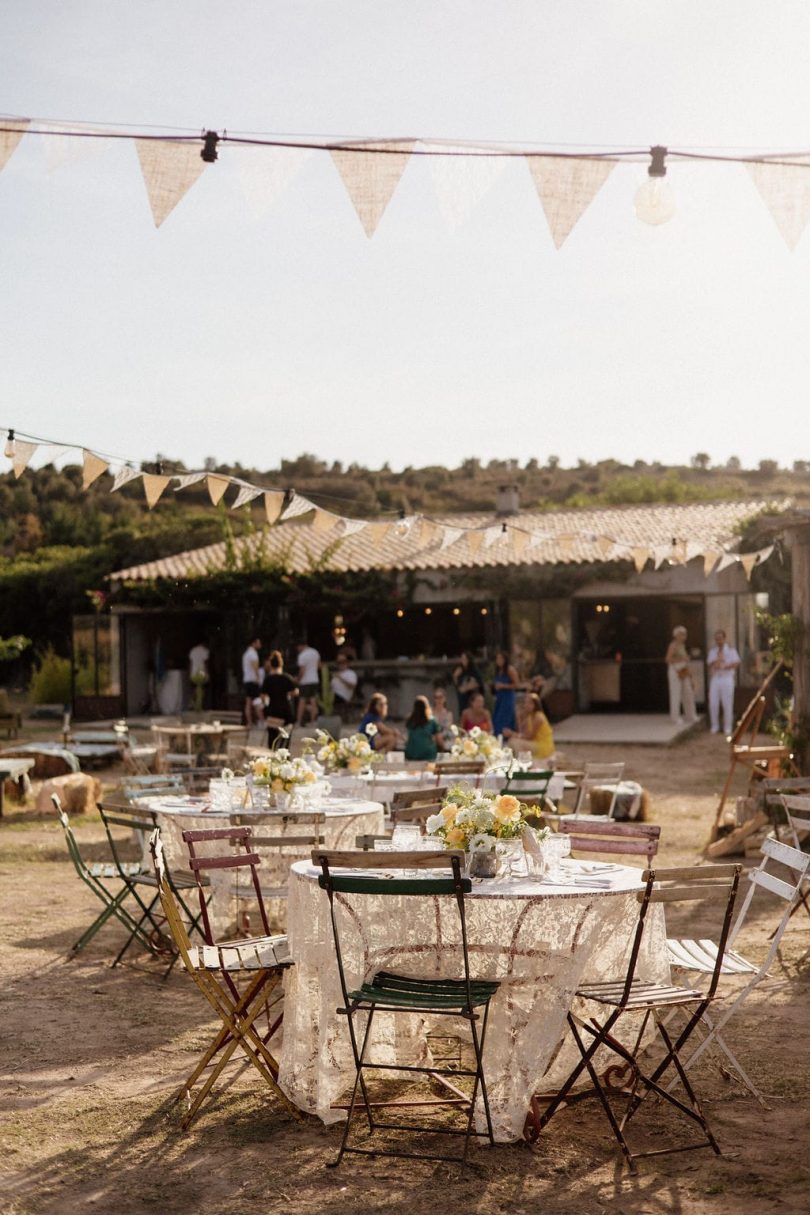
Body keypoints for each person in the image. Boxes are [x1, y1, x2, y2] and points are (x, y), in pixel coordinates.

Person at [707, 629, 741, 735]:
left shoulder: (731, 650)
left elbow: (736, 663)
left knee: (727, 703)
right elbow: (710, 664)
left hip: (727, 678)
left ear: (724, 639)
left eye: (720, 638)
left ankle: (727, 727)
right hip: (716, 678)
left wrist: (725, 665)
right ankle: (715, 726)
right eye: (717, 639)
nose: (719, 641)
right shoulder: (713, 651)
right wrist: (717, 661)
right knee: (713, 703)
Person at [504, 692, 555, 761]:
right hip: (534, 743)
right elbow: (522, 733)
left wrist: (512, 734)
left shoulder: (538, 716)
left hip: (542, 745)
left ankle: (523, 762)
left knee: (515, 743)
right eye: (525, 703)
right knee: (511, 742)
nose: (525, 705)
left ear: (534, 705)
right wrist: (519, 718)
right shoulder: (529, 716)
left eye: (528, 703)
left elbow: (529, 737)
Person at [261, 651, 298, 746]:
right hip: (286, 711)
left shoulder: (268, 679)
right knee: (285, 739)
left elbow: (263, 696)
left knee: (272, 740)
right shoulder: (287, 678)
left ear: (271, 665)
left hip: (273, 710)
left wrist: (265, 706)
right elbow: (295, 692)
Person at [665, 626, 697, 726]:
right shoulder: (673, 645)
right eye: (681, 634)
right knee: (676, 694)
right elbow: (668, 659)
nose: (683, 636)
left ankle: (690, 714)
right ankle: (675, 717)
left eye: (684, 634)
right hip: (675, 670)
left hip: (683, 670)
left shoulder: (682, 645)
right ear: (676, 635)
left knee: (688, 692)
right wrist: (683, 659)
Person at [404, 695, 444, 761]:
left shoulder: (410, 720)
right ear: (427, 707)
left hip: (411, 754)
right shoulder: (432, 721)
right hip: (428, 755)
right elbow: (440, 742)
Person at [491, 650, 520, 736]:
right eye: (497, 659)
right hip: (499, 697)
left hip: (507, 697)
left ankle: (506, 735)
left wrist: (503, 686)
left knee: (505, 717)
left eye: (501, 658)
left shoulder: (510, 670)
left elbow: (517, 684)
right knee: (497, 717)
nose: (499, 661)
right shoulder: (498, 671)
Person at [295, 640, 321, 725]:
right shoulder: (315, 652)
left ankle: (298, 721)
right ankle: (313, 721)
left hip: (305, 681)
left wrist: (298, 679)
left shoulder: (302, 655)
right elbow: (318, 666)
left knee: (302, 701)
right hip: (314, 679)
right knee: (313, 700)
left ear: (300, 646)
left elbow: (302, 670)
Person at [452, 650, 484, 717]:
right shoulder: (460, 669)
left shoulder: (473, 670)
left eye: (465, 659)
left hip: (471, 697)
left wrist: (466, 688)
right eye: (462, 658)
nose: (463, 660)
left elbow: (479, 683)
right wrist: (455, 676)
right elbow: (457, 685)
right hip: (462, 697)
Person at [330, 653, 358, 722]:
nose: (341, 665)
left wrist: (341, 678)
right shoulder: (336, 674)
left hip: (343, 696)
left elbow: (352, 686)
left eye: (343, 663)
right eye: (339, 663)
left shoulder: (351, 673)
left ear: (346, 663)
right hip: (333, 694)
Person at [241, 637, 262, 726]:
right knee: (257, 701)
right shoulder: (253, 653)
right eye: (258, 643)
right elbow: (255, 667)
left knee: (248, 702)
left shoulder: (246, 654)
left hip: (247, 680)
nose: (260, 645)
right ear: (254, 643)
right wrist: (258, 678)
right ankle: (261, 721)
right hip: (253, 680)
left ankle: (249, 722)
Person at [188, 640, 210, 710]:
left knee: (195, 689)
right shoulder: (205, 651)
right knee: (202, 689)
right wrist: (207, 673)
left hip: (193, 673)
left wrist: (190, 673)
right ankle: (199, 705)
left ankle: (192, 702)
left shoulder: (192, 651)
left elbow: (190, 663)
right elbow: (205, 663)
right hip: (201, 673)